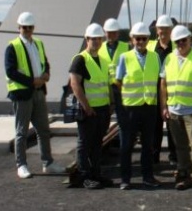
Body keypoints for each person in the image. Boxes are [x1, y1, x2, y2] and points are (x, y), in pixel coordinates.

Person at [4, 11, 65, 179]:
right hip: (22, 94)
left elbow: (45, 63)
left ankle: (48, 163)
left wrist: (46, 75)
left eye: (30, 27)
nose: (28, 30)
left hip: (39, 92)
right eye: (25, 27)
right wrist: (32, 81)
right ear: (19, 28)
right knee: (22, 132)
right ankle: (21, 165)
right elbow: (10, 72)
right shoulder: (13, 47)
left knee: (44, 130)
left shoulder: (38, 43)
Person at [160, 25, 192, 196]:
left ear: (190, 39)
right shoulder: (168, 59)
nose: (181, 43)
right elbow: (163, 84)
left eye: (184, 40)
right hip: (174, 110)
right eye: (178, 41)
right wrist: (164, 106)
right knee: (180, 146)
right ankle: (184, 175)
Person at [115, 22, 162, 190]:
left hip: (149, 107)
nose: (141, 41)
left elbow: (159, 80)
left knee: (148, 145)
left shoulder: (155, 57)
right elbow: (118, 82)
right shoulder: (124, 57)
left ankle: (147, 177)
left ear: (148, 40)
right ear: (132, 39)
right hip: (131, 108)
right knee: (126, 145)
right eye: (138, 39)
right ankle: (125, 179)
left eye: (144, 39)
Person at [69, 23, 113, 189]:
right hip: (89, 110)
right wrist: (86, 107)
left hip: (102, 109)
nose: (96, 41)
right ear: (86, 39)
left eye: (98, 38)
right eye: (92, 39)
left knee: (96, 144)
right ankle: (84, 176)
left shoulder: (102, 60)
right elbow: (75, 84)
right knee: (84, 144)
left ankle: (96, 174)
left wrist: (111, 103)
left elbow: (106, 84)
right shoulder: (80, 59)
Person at [148, 14, 178, 166]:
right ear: (156, 30)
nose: (163, 32)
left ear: (171, 30)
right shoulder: (150, 47)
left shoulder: (177, 47)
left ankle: (173, 157)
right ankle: (154, 157)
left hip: (172, 91)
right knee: (155, 127)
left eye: (166, 29)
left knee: (172, 126)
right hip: (154, 92)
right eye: (161, 29)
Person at [98, 18, 129, 151]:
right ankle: (97, 150)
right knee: (102, 122)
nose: (111, 35)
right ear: (105, 33)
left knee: (123, 121)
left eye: (113, 33)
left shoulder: (126, 47)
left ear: (117, 33)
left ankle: (124, 150)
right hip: (105, 90)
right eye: (108, 33)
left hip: (120, 88)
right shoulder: (99, 48)